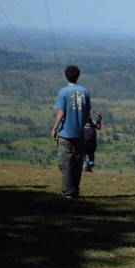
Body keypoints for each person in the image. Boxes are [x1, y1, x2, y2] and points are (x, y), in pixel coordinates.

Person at [51, 65, 90, 199]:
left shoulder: (63, 92)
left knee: (65, 162)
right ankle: (75, 189)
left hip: (66, 132)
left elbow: (61, 113)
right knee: (78, 162)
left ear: (66, 76)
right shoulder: (85, 91)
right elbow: (87, 113)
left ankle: (68, 191)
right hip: (79, 132)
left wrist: (55, 128)